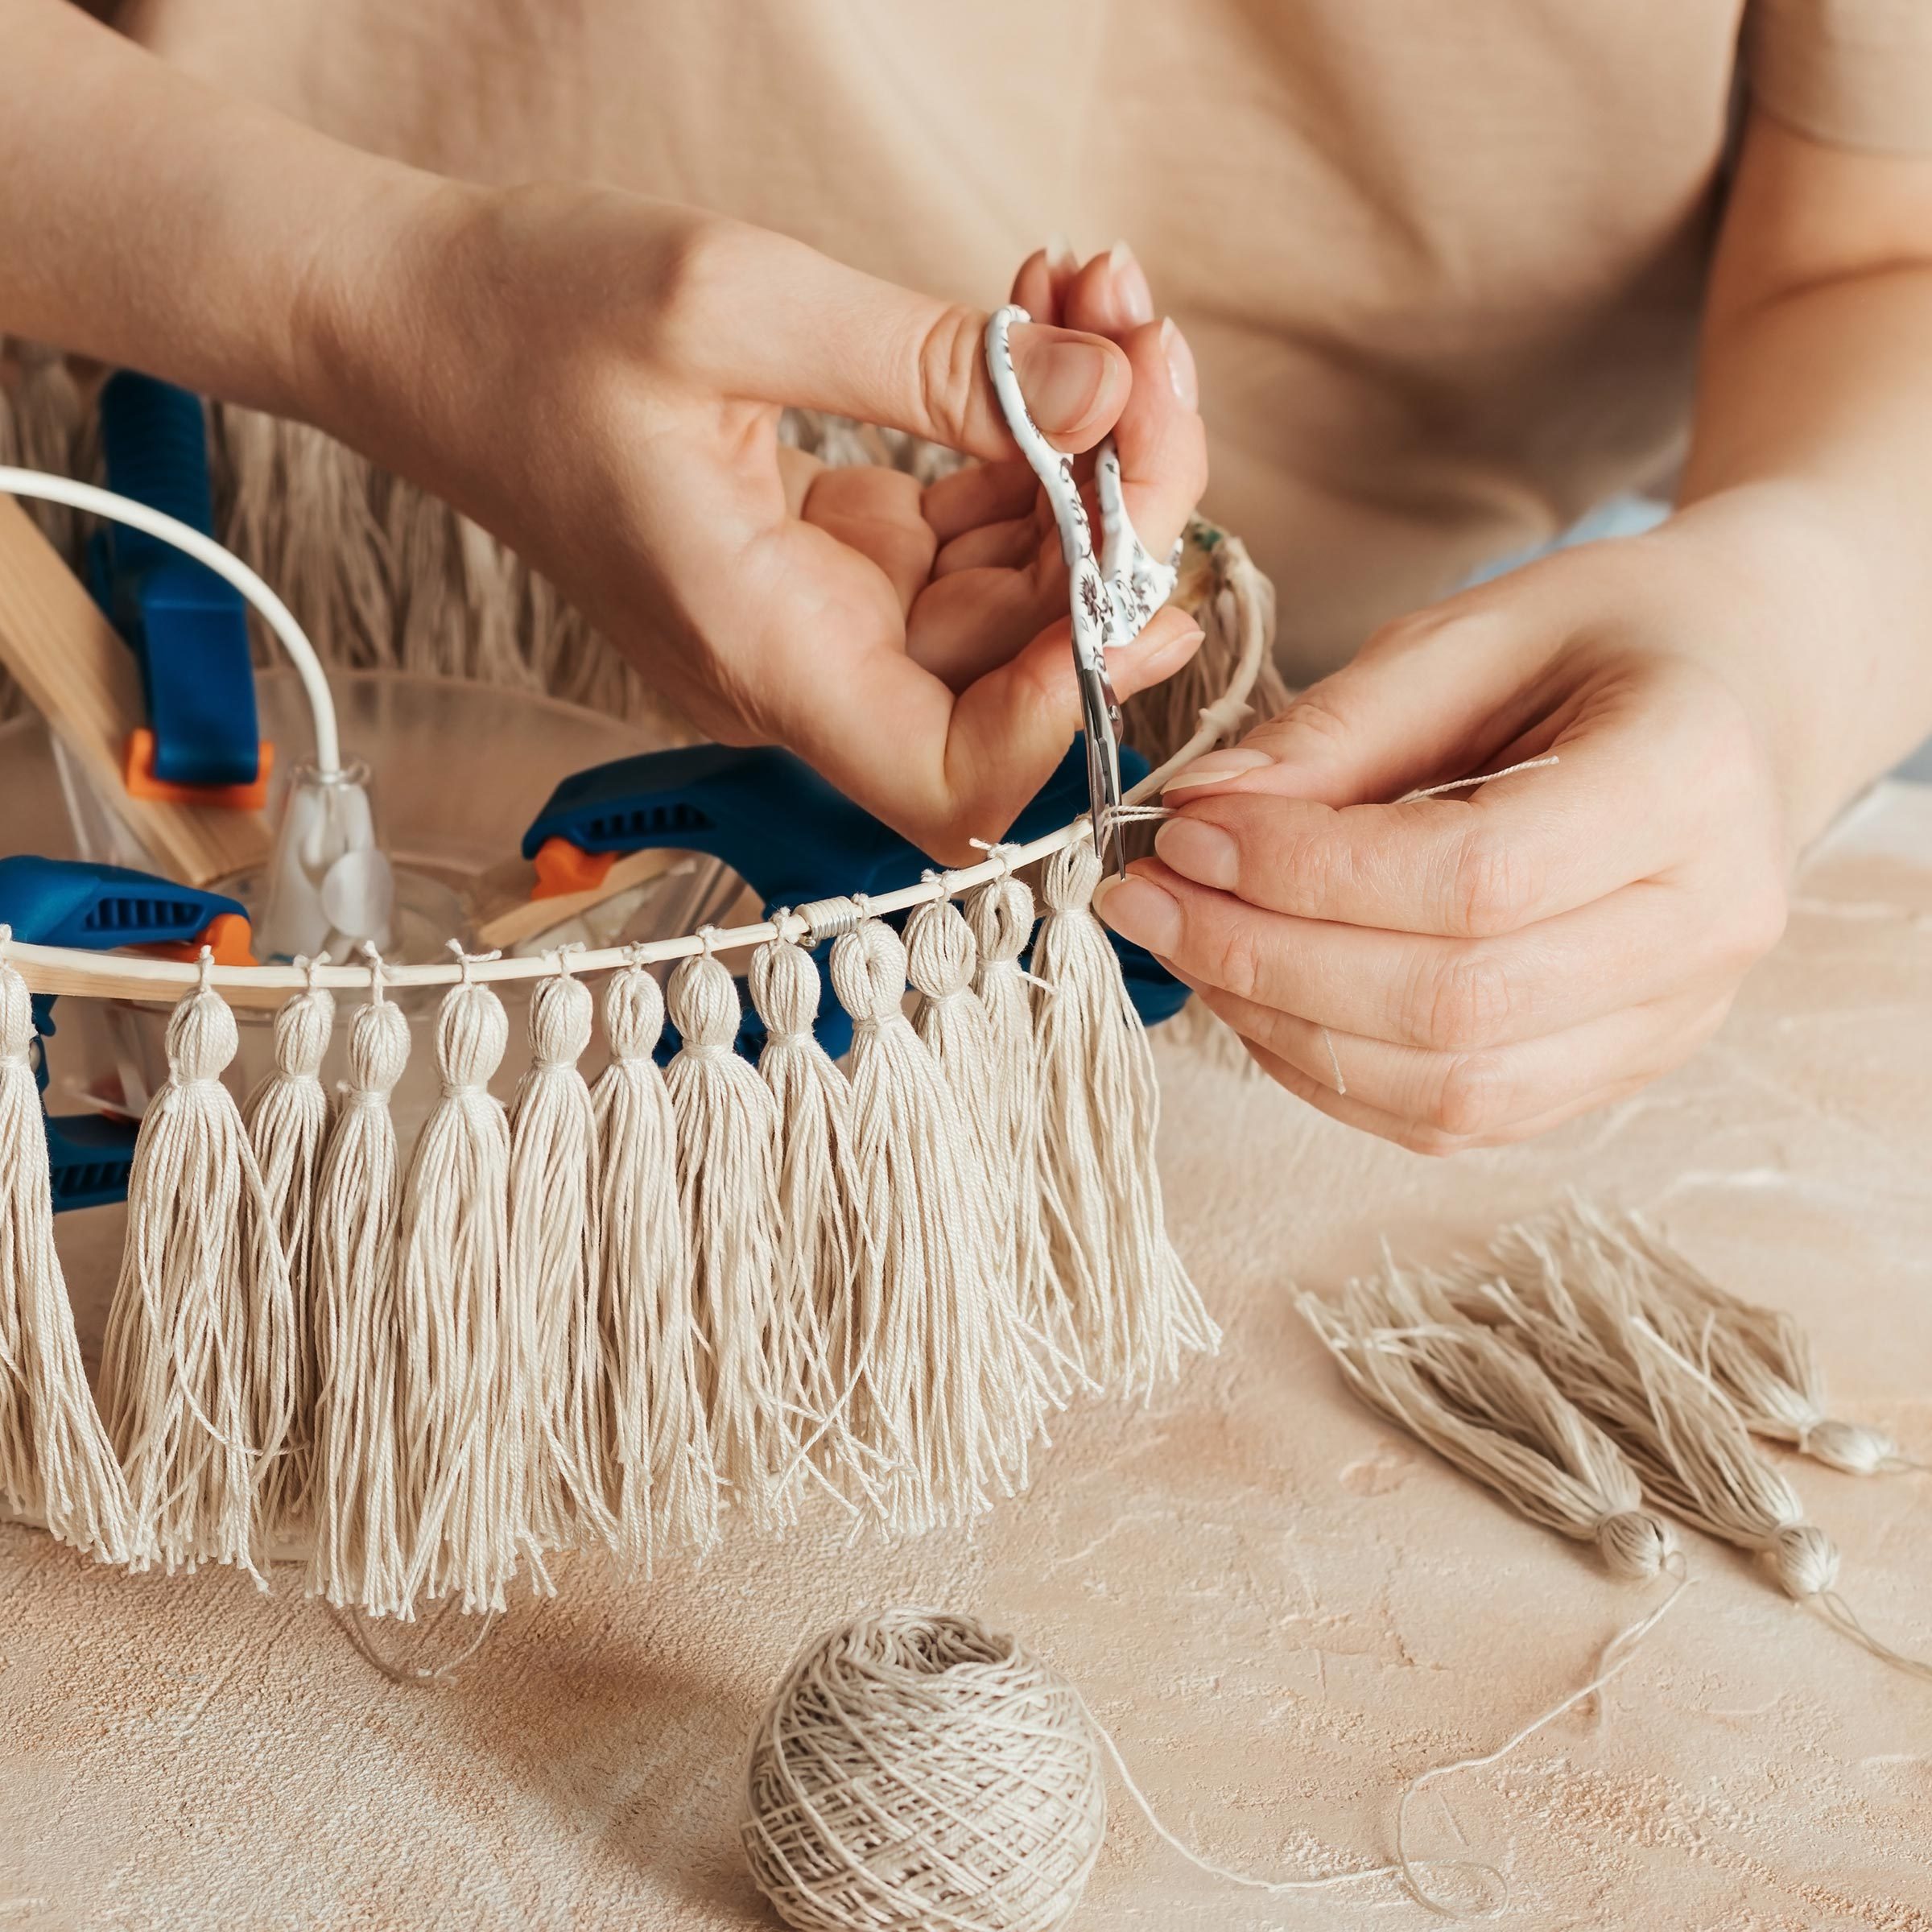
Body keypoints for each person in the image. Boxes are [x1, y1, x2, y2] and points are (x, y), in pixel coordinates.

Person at [6, 2, 1932, 1155]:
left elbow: (1883, 250)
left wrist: (1788, 638)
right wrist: (379, 293)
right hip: (131, 553)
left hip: (1333, 838)